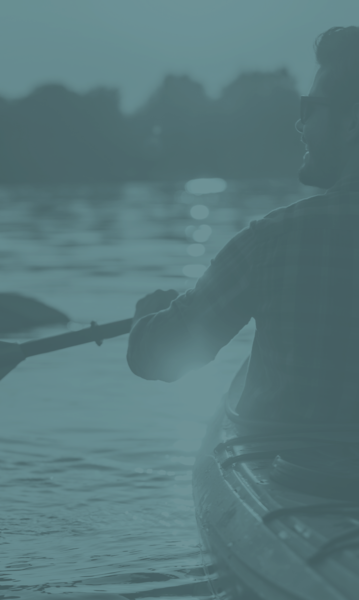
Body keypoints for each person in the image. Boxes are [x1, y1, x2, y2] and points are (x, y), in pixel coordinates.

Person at [127, 26, 359, 429]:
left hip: (299, 476)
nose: (299, 125)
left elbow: (156, 357)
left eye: (309, 108)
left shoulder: (273, 243)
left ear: (353, 121)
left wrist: (146, 319)